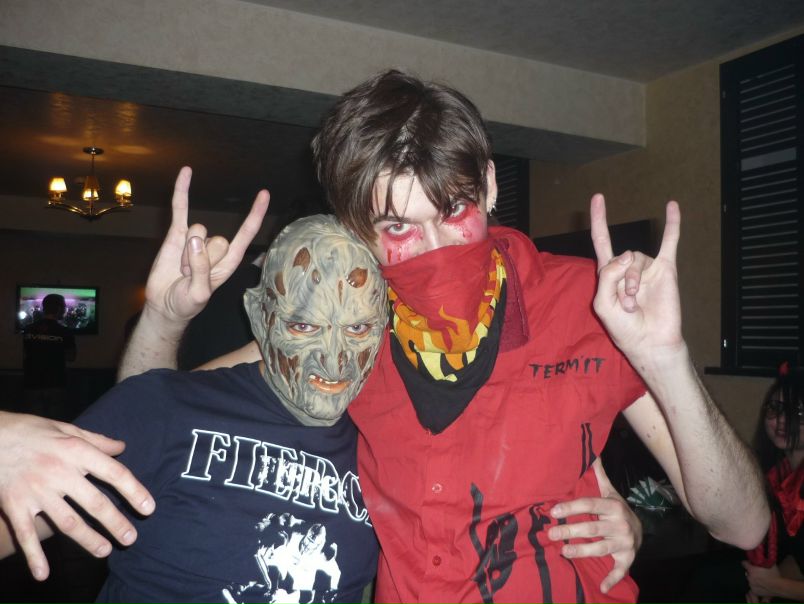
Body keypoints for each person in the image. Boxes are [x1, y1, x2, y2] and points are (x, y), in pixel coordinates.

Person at [2, 69, 767, 602]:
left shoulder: (590, 307)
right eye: (399, 226)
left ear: (489, 186)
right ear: (359, 230)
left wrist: (665, 360)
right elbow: (159, 407)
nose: (436, 251)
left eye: (454, 210)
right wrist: (166, 318)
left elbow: (742, 524)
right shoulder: (352, 327)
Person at [0, 215, 386, 603]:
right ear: (259, 317)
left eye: (358, 329)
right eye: (303, 327)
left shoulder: (386, 444)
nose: (334, 361)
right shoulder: (166, 407)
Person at [743, 363, 804, 603]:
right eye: (775, 409)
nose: (781, 421)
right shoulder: (773, 472)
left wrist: (776, 587)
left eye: (798, 413)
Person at [22, 293, 77, 420]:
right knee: (55, 423)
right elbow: (71, 357)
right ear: (59, 309)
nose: (65, 310)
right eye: (64, 307)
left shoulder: (28, 329)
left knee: (34, 423)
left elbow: (25, 354)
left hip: (32, 382)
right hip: (55, 383)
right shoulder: (65, 332)